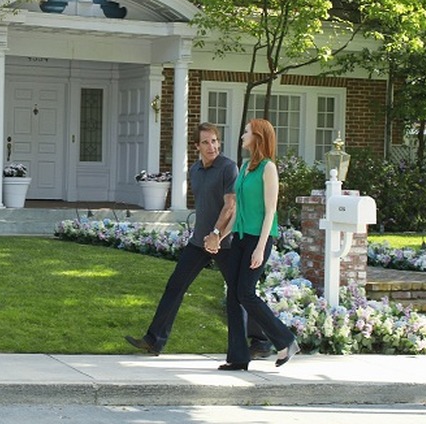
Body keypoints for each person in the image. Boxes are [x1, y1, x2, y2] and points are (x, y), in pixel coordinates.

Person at [125, 122, 269, 356]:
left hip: (226, 242)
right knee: (175, 285)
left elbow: (230, 206)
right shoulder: (195, 171)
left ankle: (260, 342)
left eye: (214, 141)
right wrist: (205, 236)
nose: (211, 146)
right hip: (199, 241)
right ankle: (154, 340)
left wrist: (216, 235)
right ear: (197, 146)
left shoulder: (228, 168)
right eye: (205, 142)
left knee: (239, 292)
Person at [218, 119, 299, 371]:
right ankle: (238, 357)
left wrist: (260, 247)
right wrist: (219, 237)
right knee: (234, 294)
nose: (242, 136)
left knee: (245, 292)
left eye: (246, 132)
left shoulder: (268, 168)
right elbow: (239, 209)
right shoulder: (244, 167)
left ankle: (285, 339)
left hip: (258, 238)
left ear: (258, 138)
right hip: (240, 237)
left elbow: (270, 212)